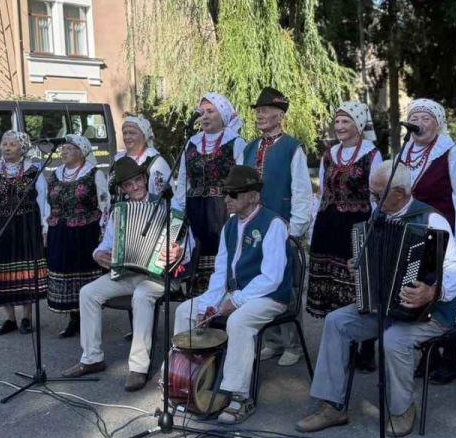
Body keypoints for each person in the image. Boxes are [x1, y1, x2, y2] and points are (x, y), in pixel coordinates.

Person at [295, 162, 456, 436]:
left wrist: (433, 291)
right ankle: (332, 406)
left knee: (394, 340)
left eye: (378, 194)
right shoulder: (378, 216)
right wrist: (359, 265)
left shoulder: (431, 219)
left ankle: (402, 409)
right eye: (372, 194)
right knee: (336, 321)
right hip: (384, 307)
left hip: (430, 313)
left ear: (399, 192)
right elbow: (374, 258)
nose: (372, 200)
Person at [174, 166, 292, 424]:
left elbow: (272, 278)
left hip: (270, 297)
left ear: (252, 196)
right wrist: (209, 303)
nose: (226, 199)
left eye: (233, 194)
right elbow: (220, 272)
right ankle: (186, 385)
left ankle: (239, 395)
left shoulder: (273, 224)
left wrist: (236, 301)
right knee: (186, 311)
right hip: (235, 293)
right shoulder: (229, 226)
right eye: (225, 193)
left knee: (238, 322)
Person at [61, 157, 186, 391]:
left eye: (138, 180)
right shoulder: (119, 212)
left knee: (141, 295)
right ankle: (92, 358)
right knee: (88, 292)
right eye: (128, 184)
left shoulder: (169, 207)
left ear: (146, 180)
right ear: (123, 189)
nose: (135, 187)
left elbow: (185, 248)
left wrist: (177, 252)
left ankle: (138, 368)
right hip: (128, 274)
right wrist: (98, 255)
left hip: (160, 276)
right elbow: (105, 244)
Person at [400, 98, 456, 385]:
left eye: (426, 117)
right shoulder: (405, 151)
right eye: (415, 116)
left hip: (445, 234)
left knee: (446, 294)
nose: (419, 121)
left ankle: (450, 358)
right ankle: (426, 354)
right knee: (416, 291)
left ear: (438, 123)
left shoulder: (453, 154)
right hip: (415, 236)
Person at [306, 100, 383, 370]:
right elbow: (323, 193)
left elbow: (376, 197)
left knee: (358, 285)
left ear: (359, 125)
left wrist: (375, 230)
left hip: (356, 228)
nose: (339, 126)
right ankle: (344, 346)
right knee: (333, 288)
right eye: (337, 122)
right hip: (329, 227)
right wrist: (315, 225)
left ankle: (367, 348)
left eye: (346, 121)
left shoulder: (372, 155)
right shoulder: (329, 155)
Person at [243, 86, 313, 367]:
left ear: (280, 115)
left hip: (281, 228)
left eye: (265, 110)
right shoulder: (249, 148)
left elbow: (302, 192)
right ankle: (270, 340)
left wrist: (294, 230)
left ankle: (292, 344)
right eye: (258, 111)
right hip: (254, 229)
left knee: (285, 286)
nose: (260, 115)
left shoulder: (292, 148)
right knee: (256, 282)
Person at [0, 130, 49, 335]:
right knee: (2, 272)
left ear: (22, 148)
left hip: (27, 225)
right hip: (1, 226)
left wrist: (45, 226)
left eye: (12, 144)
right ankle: (9, 319)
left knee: (26, 272)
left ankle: (26, 317)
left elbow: (43, 199)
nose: (6, 148)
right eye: (4, 144)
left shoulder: (34, 170)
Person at [173, 93, 246, 294]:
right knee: (196, 264)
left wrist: (237, 217)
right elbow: (182, 182)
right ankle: (195, 314)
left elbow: (242, 183)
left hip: (222, 212)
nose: (204, 116)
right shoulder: (192, 143)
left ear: (222, 115)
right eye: (202, 112)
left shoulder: (236, 143)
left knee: (220, 263)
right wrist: (177, 214)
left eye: (210, 111)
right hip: (195, 212)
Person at [45, 135, 110, 338]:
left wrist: (104, 231)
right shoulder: (55, 174)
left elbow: (105, 204)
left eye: (69, 148)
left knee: (83, 275)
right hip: (60, 233)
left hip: (85, 234)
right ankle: (74, 318)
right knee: (65, 274)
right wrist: (46, 229)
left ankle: (87, 318)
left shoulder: (94, 174)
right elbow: (48, 204)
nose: (63, 151)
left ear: (82, 152)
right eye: (62, 148)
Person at [109, 114, 172, 202]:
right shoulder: (118, 161)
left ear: (144, 135)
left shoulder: (155, 162)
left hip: (148, 213)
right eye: (125, 133)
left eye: (132, 133)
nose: (127, 137)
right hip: (119, 214)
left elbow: (164, 198)